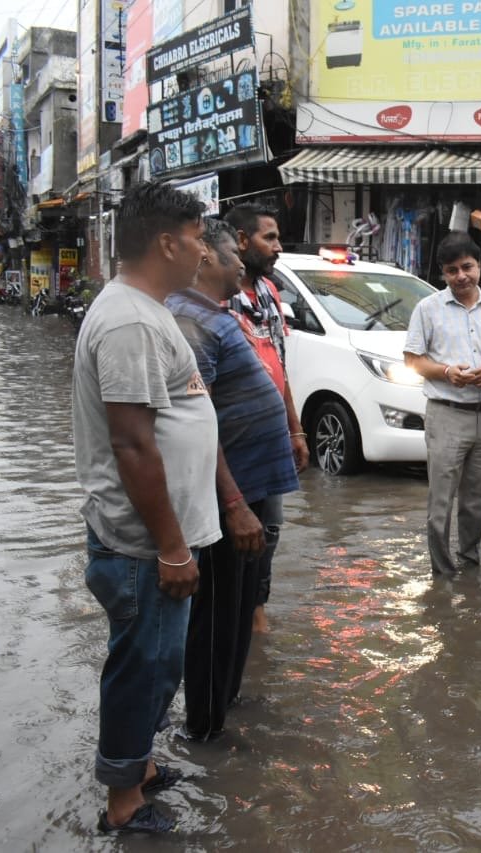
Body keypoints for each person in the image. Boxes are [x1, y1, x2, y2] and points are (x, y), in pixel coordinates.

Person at [72, 181, 219, 834]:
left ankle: (139, 765)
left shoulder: (146, 309)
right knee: (143, 668)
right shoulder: (129, 320)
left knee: (157, 663)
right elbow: (132, 444)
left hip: (154, 540)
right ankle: (123, 803)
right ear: (166, 243)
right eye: (196, 238)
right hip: (142, 544)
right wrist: (172, 546)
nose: (203, 251)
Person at [167, 219, 300, 741]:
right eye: (232, 254)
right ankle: (205, 730)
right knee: (218, 614)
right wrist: (234, 504)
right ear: (207, 259)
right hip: (230, 497)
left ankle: (228, 700)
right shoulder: (191, 321)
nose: (241, 263)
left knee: (239, 607)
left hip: (250, 491)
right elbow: (198, 420)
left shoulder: (218, 315)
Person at [404, 232, 481, 575]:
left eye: (467, 267)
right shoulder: (427, 309)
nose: (461, 276)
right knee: (440, 500)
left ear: (479, 266)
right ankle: (442, 573)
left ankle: (470, 565)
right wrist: (446, 372)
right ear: (443, 273)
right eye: (452, 270)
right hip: (446, 414)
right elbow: (412, 360)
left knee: (477, 499)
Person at [224, 203, 308, 634]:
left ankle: (255, 607)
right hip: (233, 436)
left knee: (269, 526)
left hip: (271, 431)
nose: (278, 247)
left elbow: (279, 364)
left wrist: (295, 428)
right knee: (235, 525)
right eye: (269, 238)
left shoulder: (270, 292)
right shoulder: (220, 295)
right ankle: (234, 613)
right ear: (242, 240)